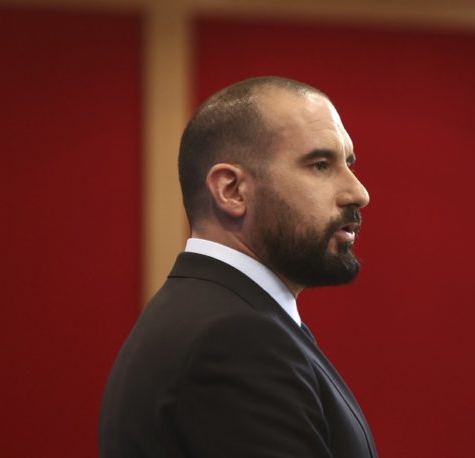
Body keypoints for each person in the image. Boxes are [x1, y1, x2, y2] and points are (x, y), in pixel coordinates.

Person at [99, 76, 377, 458]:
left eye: (348, 163)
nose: (358, 192)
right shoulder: (234, 339)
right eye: (319, 165)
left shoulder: (213, 315)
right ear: (231, 190)